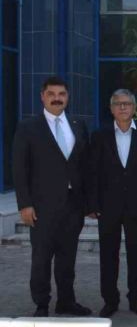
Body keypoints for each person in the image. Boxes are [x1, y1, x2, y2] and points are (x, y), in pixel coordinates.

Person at [12, 76, 92, 317]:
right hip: (41, 207)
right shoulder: (28, 127)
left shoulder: (78, 124)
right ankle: (42, 304)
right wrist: (25, 204)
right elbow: (19, 168)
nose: (57, 98)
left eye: (61, 94)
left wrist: (88, 203)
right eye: (51, 94)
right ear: (42, 96)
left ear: (68, 97)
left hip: (73, 206)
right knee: (42, 258)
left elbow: (85, 166)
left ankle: (66, 301)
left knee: (68, 258)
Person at [88, 89, 137, 317]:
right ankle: (110, 300)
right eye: (118, 104)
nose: (123, 107)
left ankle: (136, 299)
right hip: (107, 205)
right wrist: (92, 203)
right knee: (108, 255)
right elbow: (93, 171)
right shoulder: (100, 135)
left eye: (127, 103)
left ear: (134, 108)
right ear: (111, 109)